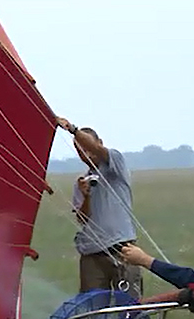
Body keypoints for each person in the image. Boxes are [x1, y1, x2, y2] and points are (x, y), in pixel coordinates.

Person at [56, 116, 142, 299]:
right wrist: (86, 195)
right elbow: (82, 219)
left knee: (129, 307)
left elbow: (96, 150)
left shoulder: (115, 164)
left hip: (122, 249)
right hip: (92, 254)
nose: (86, 153)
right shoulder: (82, 182)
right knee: (92, 310)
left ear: (99, 143)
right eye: (80, 150)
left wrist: (73, 130)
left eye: (88, 147)